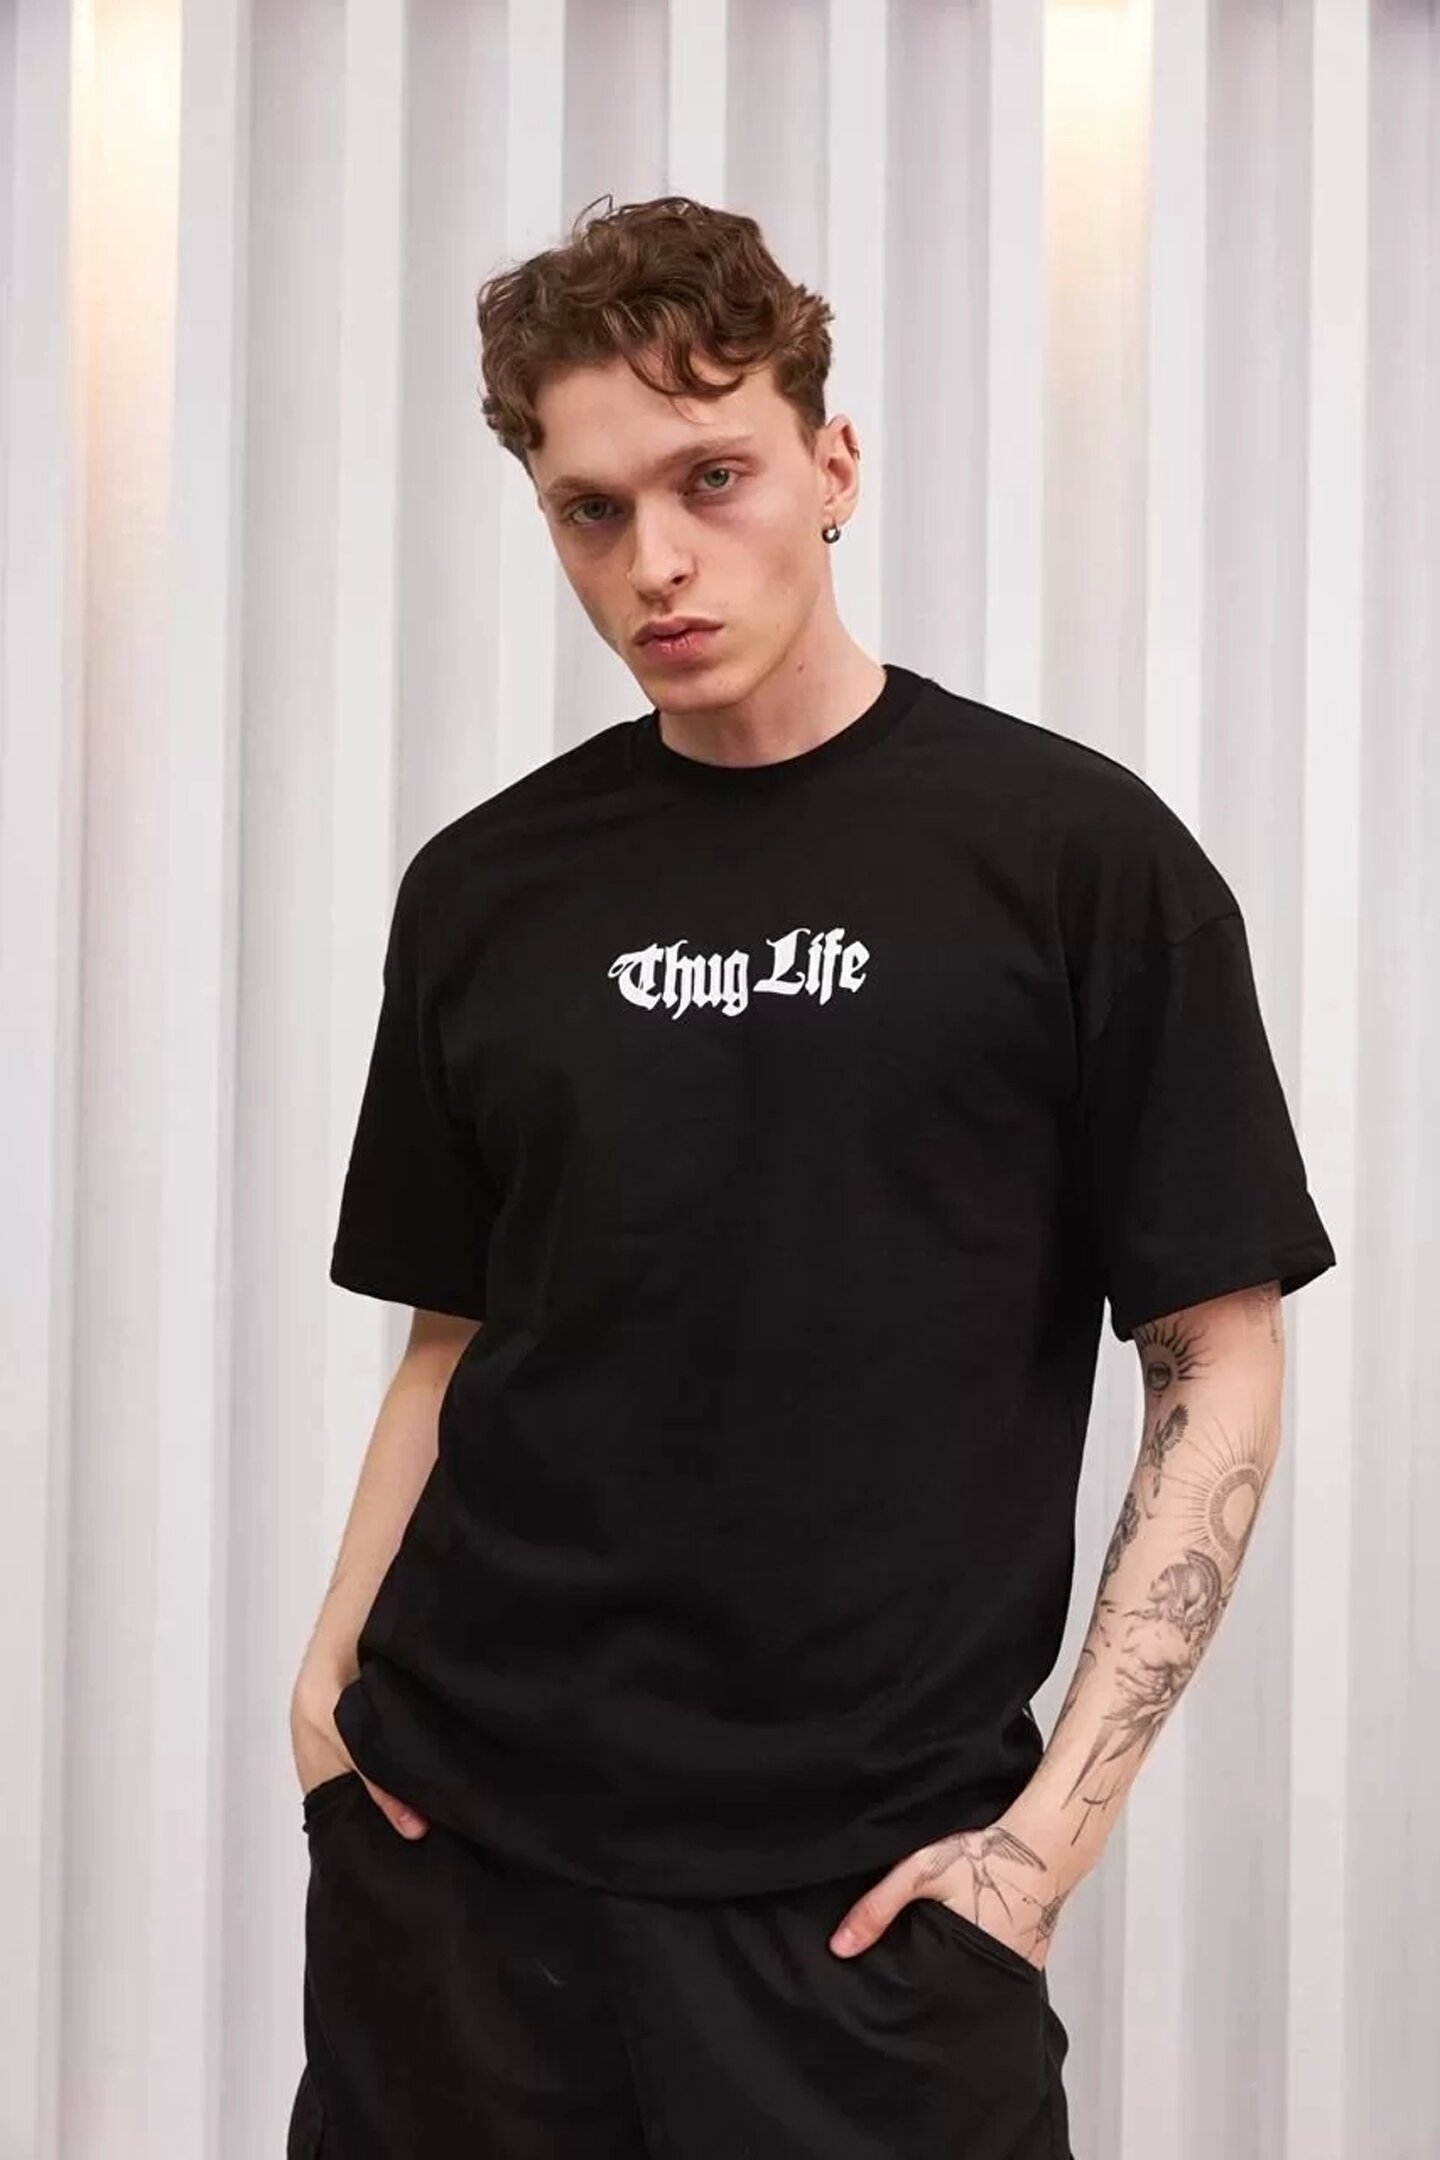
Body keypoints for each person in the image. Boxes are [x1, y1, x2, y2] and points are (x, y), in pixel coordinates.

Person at [286, 193, 1336, 2159]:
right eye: (591, 510)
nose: (657, 562)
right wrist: (331, 1687)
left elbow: (1220, 1350)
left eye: (713, 477)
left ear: (831, 466)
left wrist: (1039, 1851)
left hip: (863, 1915)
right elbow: (458, 1330)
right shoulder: (487, 888)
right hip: (455, 1870)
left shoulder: (1074, 859)